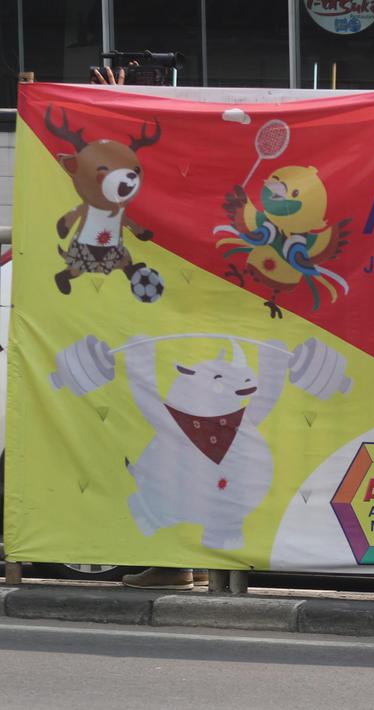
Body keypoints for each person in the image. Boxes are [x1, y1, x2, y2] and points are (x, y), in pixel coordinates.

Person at [88, 61, 205, 591]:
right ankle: (177, 559)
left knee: (171, 445)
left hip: (181, 328)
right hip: (163, 324)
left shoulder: (187, 190)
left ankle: (181, 561)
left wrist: (116, 106)